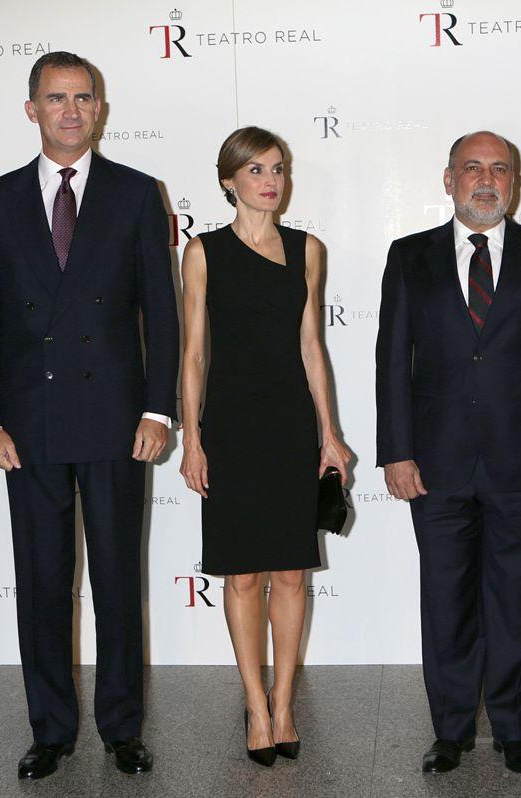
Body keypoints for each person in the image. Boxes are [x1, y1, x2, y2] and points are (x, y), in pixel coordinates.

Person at [0, 52, 179, 779]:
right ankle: (51, 730)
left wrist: (158, 408)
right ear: (31, 109)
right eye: (56, 98)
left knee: (119, 580)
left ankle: (122, 729)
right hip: (29, 426)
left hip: (119, 421)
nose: (71, 110)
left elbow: (163, 312)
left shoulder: (136, 193)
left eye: (84, 97)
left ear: (101, 108)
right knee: (42, 582)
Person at [376, 131, 521, 775]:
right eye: (472, 168)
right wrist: (396, 451)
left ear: (515, 184)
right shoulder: (409, 256)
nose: (486, 180)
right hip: (436, 461)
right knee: (445, 599)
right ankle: (449, 731)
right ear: (448, 180)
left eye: (500, 169)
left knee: (518, 599)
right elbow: (392, 359)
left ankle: (515, 729)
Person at [178, 127, 351, 767]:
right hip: (229, 426)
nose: (270, 181)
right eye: (255, 170)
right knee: (243, 574)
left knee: (290, 572)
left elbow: (312, 348)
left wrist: (329, 433)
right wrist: (191, 437)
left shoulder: (309, 249)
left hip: (288, 425)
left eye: (278, 168)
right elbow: (193, 353)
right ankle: (253, 704)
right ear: (229, 180)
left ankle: (284, 704)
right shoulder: (202, 252)